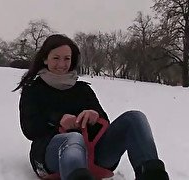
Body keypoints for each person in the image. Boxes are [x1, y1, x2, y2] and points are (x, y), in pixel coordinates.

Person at [14, 34, 169, 180]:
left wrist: (94, 115)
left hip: (93, 155)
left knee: (135, 118)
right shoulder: (34, 90)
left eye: (66, 58)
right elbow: (29, 128)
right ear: (45, 59)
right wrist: (58, 121)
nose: (62, 64)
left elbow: (104, 122)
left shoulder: (82, 89)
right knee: (73, 138)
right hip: (52, 157)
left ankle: (151, 174)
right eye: (56, 58)